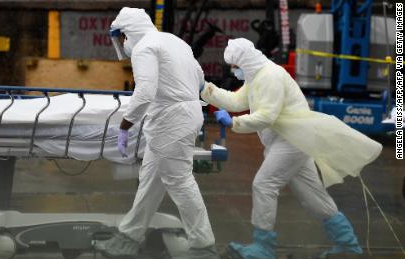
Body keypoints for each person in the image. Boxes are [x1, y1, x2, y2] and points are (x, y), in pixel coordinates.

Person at [201, 38, 383, 259]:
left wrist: (234, 123)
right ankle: (347, 245)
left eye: (235, 66)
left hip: (292, 141)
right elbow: (237, 101)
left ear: (245, 62)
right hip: (292, 140)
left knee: (264, 185)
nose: (233, 71)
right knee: (312, 195)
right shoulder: (257, 76)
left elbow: (267, 116)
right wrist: (207, 89)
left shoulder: (271, 76)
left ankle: (263, 247)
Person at [94, 7, 219, 258]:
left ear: (129, 31)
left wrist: (125, 125)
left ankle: (203, 244)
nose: (124, 43)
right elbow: (199, 78)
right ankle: (130, 234)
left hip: (171, 120)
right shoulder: (174, 41)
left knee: (179, 180)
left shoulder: (144, 48)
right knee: (151, 180)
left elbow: (145, 92)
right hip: (183, 115)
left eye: (123, 37)